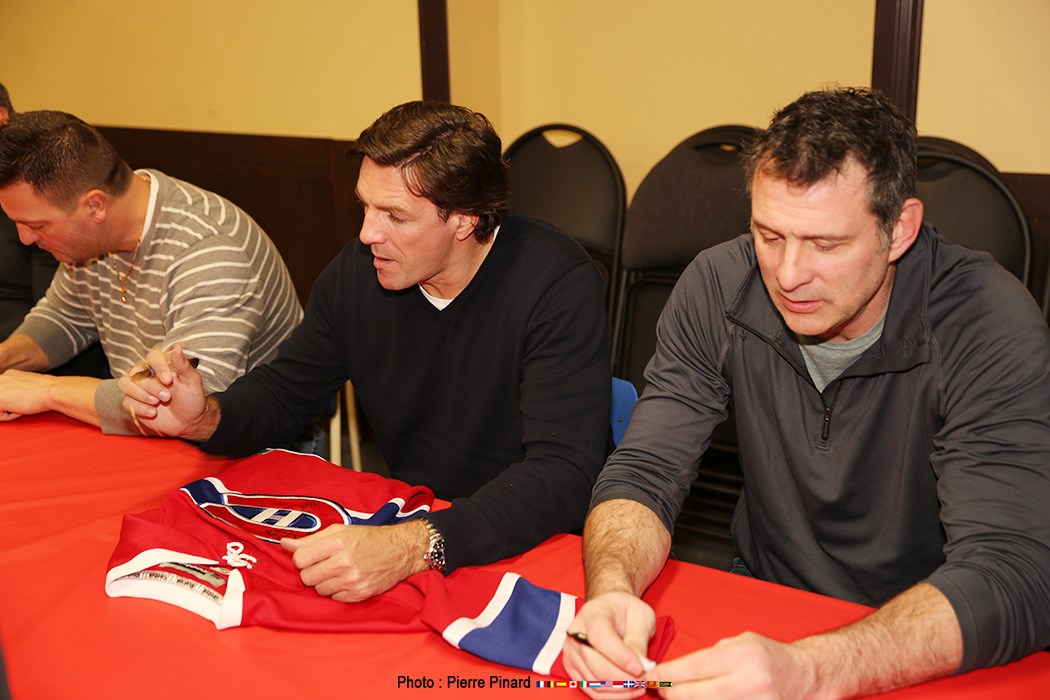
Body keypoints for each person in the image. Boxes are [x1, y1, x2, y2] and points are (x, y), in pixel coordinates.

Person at [563, 86, 1050, 698]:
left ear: (899, 229)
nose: (789, 275)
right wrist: (612, 590)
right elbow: (645, 468)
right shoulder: (718, 283)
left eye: (826, 244)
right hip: (762, 605)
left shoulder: (988, 321)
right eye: (769, 235)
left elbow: (1015, 570)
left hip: (921, 638)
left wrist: (812, 669)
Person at [119, 101, 612, 603]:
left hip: (528, 544)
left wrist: (413, 545)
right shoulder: (360, 272)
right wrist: (206, 418)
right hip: (413, 527)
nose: (367, 233)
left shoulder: (555, 283)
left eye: (395, 215)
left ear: (464, 220)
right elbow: (288, 393)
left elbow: (564, 472)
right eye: (365, 206)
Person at [0, 110, 303, 434]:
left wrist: (47, 392)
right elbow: (65, 319)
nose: (25, 239)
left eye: (36, 225)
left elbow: (174, 405)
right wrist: (5, 358)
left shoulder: (210, 249)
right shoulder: (90, 239)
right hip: (151, 432)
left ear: (95, 206)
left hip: (254, 445)